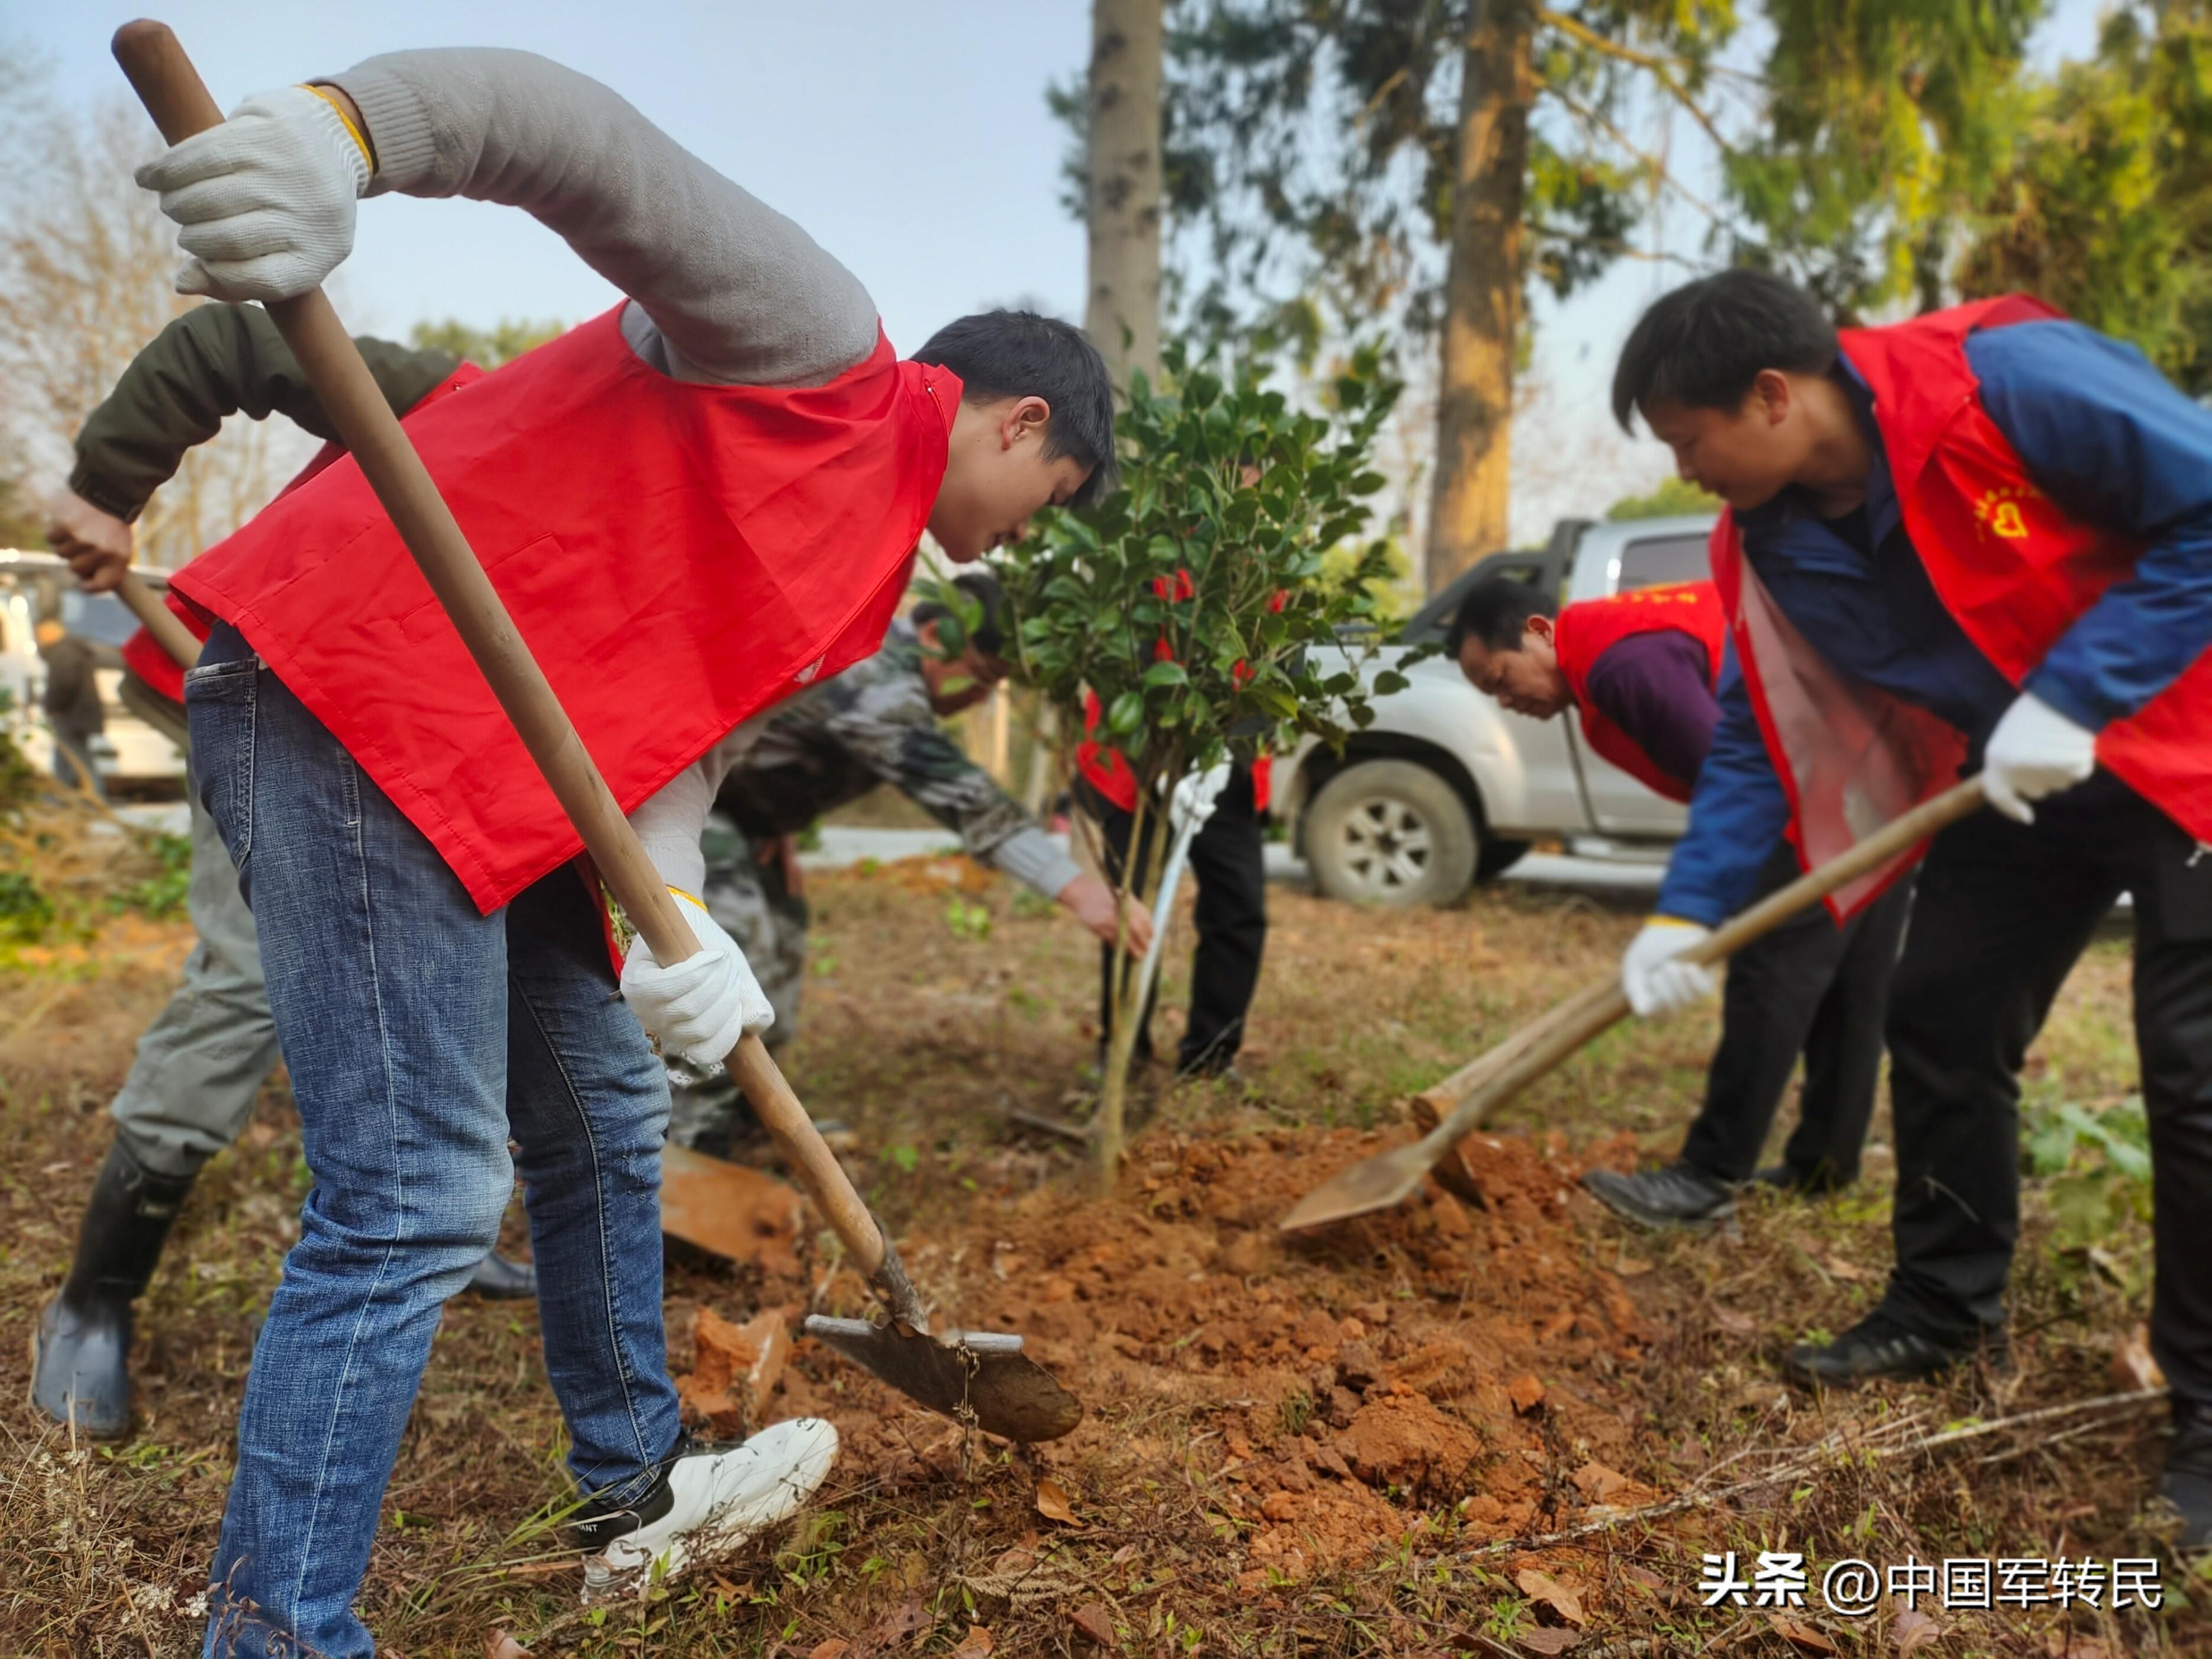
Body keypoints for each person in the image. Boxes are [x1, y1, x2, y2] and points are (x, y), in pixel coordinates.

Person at [80, 53, 1116, 1657]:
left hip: (485, 783)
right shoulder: (817, 350)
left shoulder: (855, 574)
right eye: (1046, 502)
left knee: (605, 1105)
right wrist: (340, 139)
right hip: (351, 694)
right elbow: (580, 144)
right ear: (1024, 419)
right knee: (419, 1185)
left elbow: (665, 770)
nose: (1023, 536)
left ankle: (632, 1501)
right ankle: (275, 1631)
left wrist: (678, 937)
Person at [1610, 269, 2212, 1545]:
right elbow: (1753, 731)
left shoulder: (2004, 382)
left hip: (2186, 736)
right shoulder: (1765, 540)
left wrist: (2083, 689)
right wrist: (1688, 909)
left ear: (1770, 396)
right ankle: (1943, 1307)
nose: (1686, 471)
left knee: (2196, 1072)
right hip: (2023, 765)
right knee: (1936, 1010)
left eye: (1687, 441)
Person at [34, 304, 537, 1449]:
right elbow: (235, 345)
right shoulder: (472, 402)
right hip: (270, 698)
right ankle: (93, 1296)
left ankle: (443, 1234)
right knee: (253, 975)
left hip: (411, 748)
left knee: (475, 957)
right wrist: (107, 487)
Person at [1449, 575, 1910, 1224]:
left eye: (1500, 678)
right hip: (1877, 768)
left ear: (1538, 632)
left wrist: (1706, 904)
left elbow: (1735, 778)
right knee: (1850, 980)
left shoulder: (1621, 665)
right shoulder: (1611, 640)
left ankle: (1708, 1177)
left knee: (1769, 979)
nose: (1506, 701)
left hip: (1816, 791)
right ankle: (1824, 1164)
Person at [657, 572, 1152, 1155]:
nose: (982, 696)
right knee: (733, 961)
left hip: (741, 818)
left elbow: (785, 740)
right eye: (985, 674)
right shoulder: (880, 673)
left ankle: (743, 1117)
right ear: (939, 633)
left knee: (777, 966)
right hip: (679, 805)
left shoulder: (895, 677)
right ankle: (685, 1141)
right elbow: (958, 792)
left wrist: (775, 822)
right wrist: (1075, 887)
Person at [1074, 709, 1270, 1081]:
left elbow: (1284, 669)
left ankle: (1211, 1059)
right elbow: (1126, 661)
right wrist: (1165, 758)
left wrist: (1226, 749)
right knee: (1131, 912)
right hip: (1136, 759)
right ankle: (1122, 1054)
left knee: (1239, 910)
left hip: (1229, 770)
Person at [35, 617, 112, 798]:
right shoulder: (72, 649)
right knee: (67, 757)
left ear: (49, 632)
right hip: (80, 714)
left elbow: (64, 683)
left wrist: (52, 706)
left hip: (71, 714)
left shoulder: (63, 652)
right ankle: (61, 796)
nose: (39, 639)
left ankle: (95, 797)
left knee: (78, 759)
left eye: (40, 634)